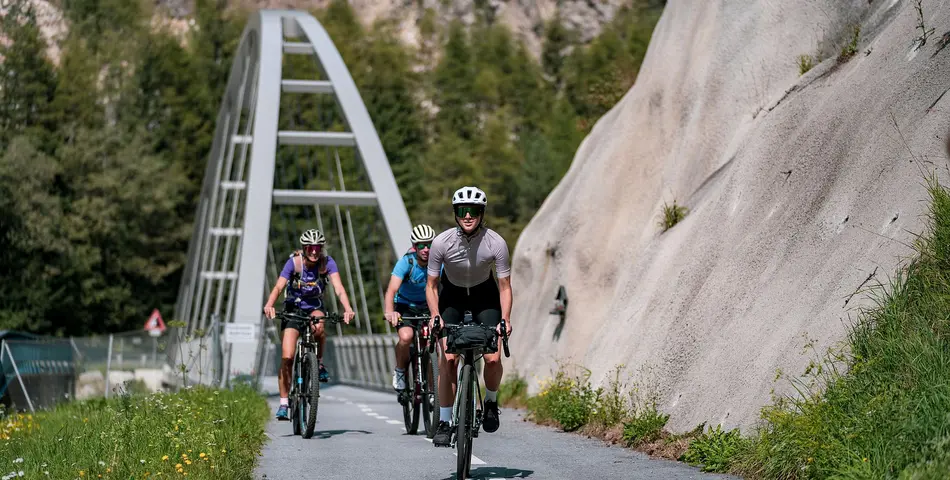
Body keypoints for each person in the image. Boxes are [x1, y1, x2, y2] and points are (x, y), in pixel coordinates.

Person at [425, 186, 513, 447]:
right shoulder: (441, 242)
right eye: (462, 211)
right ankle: (443, 421)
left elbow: (505, 286)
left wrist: (505, 319)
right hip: (451, 296)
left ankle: (490, 403)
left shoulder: (496, 242)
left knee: (493, 358)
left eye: (473, 211)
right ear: (455, 213)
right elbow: (431, 286)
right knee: (448, 359)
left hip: (484, 297)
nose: (467, 216)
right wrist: (434, 316)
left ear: (481, 213)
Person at [263, 228, 356, 421]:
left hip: (314, 307)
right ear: (304, 248)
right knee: (287, 357)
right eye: (310, 247)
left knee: (320, 326)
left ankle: (319, 363)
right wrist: (269, 305)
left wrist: (347, 308)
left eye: (318, 247)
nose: (314, 251)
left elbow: (338, 288)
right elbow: (279, 286)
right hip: (293, 310)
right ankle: (283, 403)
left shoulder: (327, 263)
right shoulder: (294, 263)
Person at [384, 224, 439, 391]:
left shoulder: (438, 263)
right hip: (405, 306)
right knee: (406, 337)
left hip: (428, 306)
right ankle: (400, 370)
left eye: (429, 244)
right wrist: (389, 311)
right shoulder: (406, 262)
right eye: (421, 245)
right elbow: (391, 289)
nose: (426, 249)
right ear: (415, 247)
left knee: (430, 342)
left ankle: (431, 389)